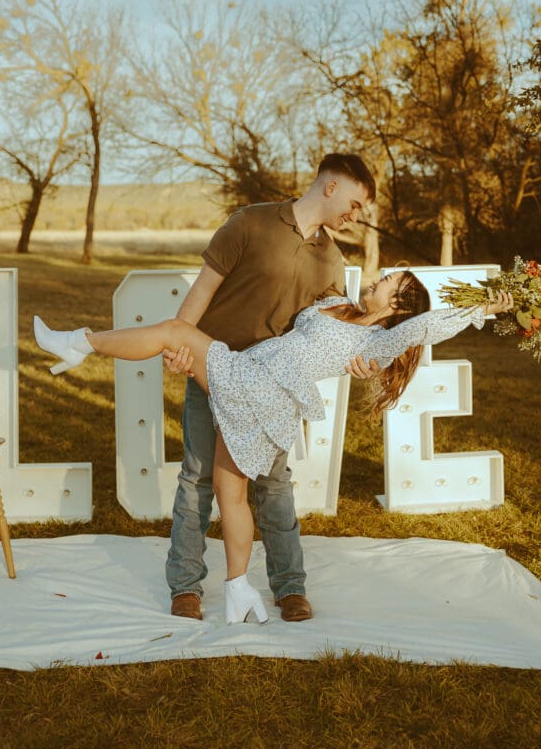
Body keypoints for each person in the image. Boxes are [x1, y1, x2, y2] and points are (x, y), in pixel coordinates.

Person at [34, 273, 513, 624]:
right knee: (230, 493)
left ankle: (80, 342)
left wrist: (487, 308)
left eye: (388, 280)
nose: (377, 277)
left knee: (175, 331)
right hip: (259, 389)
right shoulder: (342, 307)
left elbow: (428, 327)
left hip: (259, 387)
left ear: (398, 302)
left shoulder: (381, 337)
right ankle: (238, 588)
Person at [163, 153, 377, 624]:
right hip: (213, 370)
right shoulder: (250, 224)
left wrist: (357, 357)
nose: (354, 216)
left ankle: (289, 588)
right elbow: (202, 290)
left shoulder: (331, 260)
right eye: (355, 203)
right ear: (331, 186)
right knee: (197, 476)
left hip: (271, 388)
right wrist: (180, 341)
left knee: (274, 485)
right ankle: (185, 588)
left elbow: (337, 328)